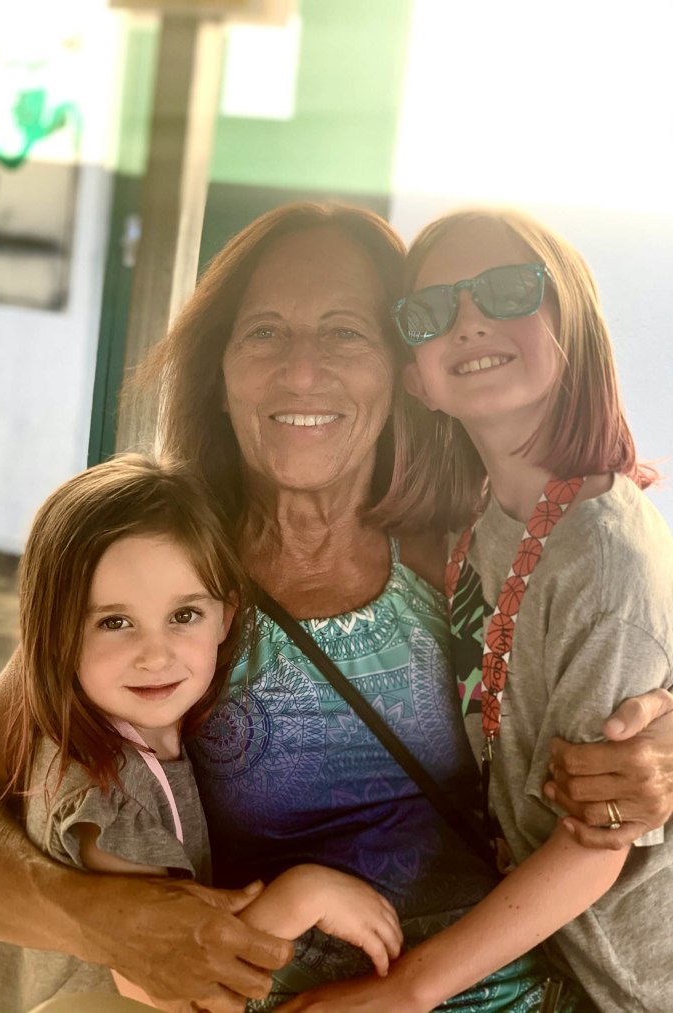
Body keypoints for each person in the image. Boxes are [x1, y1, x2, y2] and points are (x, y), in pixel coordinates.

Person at [0, 203, 672, 1013]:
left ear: (404, 370)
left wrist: (655, 742)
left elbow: (619, 655)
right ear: (220, 371)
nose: (302, 372)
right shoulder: (158, 575)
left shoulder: (476, 546)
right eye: (266, 333)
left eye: (347, 332)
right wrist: (110, 917)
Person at [280, 206, 672, 1013]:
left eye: (505, 289)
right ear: (414, 375)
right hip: (536, 949)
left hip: (626, 981)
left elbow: (597, 836)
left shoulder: (601, 554)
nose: (468, 321)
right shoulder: (486, 519)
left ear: (575, 322)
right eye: (430, 312)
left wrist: (406, 992)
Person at [0, 452, 403, 1012]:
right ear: (54, 633)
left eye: (184, 615)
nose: (156, 656)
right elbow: (162, 978)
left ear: (226, 617)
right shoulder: (109, 798)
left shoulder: (119, 741)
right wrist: (306, 895)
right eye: (115, 622)